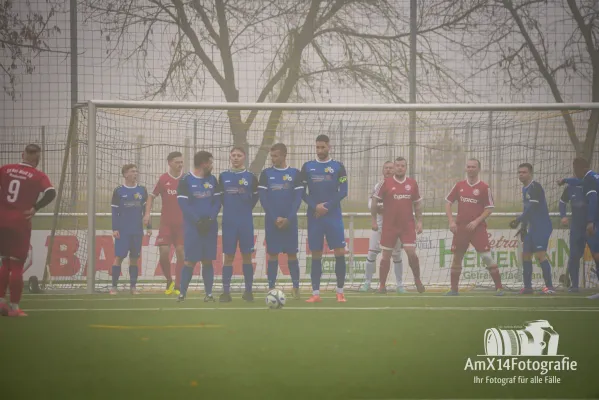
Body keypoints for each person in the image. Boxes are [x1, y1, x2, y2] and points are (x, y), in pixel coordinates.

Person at [0, 144, 55, 317]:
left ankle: (1, 302)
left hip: (2, 220)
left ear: (22, 154)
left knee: (5, 262)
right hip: (20, 223)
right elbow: (51, 193)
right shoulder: (38, 176)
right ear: (37, 159)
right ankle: (14, 307)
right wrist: (35, 208)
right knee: (16, 265)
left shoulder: (5, 169)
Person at [301, 134, 348, 303]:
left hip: (333, 215)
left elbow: (344, 191)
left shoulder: (338, 167)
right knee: (316, 253)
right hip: (315, 216)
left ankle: (340, 292)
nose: (320, 150)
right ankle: (315, 293)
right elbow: (302, 193)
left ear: (329, 147)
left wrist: (326, 206)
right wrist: (316, 206)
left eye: (323, 147)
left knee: (339, 251)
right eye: (317, 147)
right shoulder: (307, 167)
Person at [445, 159, 503, 296]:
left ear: (478, 169)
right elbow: (448, 202)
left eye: (473, 167)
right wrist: (451, 221)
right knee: (457, 257)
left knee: (486, 257)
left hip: (478, 228)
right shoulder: (459, 185)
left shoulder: (484, 187)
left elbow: (489, 208)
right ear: (466, 169)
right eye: (469, 167)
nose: (470, 169)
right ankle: (454, 290)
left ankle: (499, 287)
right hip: (461, 228)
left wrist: (476, 221)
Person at [371, 157, 425, 294]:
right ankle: (382, 286)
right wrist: (373, 220)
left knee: (411, 252)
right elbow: (374, 201)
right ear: (394, 167)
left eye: (402, 166)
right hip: (390, 226)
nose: (400, 168)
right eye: (397, 165)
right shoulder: (385, 183)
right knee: (386, 256)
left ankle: (417, 279)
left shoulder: (412, 183)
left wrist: (419, 221)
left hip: (407, 226)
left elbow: (417, 204)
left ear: (406, 168)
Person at [258, 143, 303, 299]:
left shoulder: (295, 174)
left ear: (284, 155)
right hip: (272, 221)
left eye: (276, 156)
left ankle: (296, 287)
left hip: (290, 222)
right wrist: (274, 217)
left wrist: (288, 218)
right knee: (272, 254)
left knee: (292, 254)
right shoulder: (266, 174)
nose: (273, 159)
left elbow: (298, 199)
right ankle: (271, 287)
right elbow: (263, 199)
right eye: (272, 156)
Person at [176, 151, 221, 302]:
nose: (212, 165)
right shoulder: (185, 180)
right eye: (210, 162)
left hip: (210, 227)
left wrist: (210, 219)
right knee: (190, 261)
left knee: (207, 260)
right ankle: (182, 294)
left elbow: (217, 202)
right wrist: (197, 221)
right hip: (193, 228)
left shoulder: (212, 180)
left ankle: (209, 294)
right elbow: (183, 204)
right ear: (203, 164)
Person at [218, 147, 259, 302]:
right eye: (233, 155)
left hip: (245, 222)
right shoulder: (223, 176)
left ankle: (248, 291)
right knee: (228, 256)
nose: (236, 158)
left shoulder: (251, 177)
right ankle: (226, 292)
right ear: (230, 157)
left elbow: (255, 197)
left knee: (247, 256)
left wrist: (244, 209)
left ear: (244, 157)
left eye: (239, 155)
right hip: (229, 222)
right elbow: (221, 198)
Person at [144, 151, 185, 295]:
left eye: (181, 162)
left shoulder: (186, 179)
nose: (180, 165)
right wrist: (147, 213)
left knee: (181, 252)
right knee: (164, 253)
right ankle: (169, 280)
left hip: (182, 224)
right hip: (166, 224)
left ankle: (178, 284)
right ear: (169, 163)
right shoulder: (163, 179)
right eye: (177, 162)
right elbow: (151, 196)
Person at [360, 161, 405, 293]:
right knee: (371, 254)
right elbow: (370, 203)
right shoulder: (378, 185)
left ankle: (400, 285)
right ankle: (367, 283)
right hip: (380, 226)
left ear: (394, 170)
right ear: (382, 170)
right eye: (386, 168)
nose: (388, 170)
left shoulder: (401, 186)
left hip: (396, 226)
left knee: (396, 256)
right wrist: (379, 208)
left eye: (391, 168)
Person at [510, 163, 554, 294]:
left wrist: (519, 220)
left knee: (540, 255)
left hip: (542, 226)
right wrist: (523, 227)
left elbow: (531, 208)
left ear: (530, 173)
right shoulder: (525, 189)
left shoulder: (535, 187)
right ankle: (528, 287)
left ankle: (550, 287)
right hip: (532, 227)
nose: (521, 174)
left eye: (524, 172)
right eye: (519, 172)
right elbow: (526, 208)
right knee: (526, 255)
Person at [110, 164, 148, 295]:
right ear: (125, 174)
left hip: (137, 230)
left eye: (136, 171)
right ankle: (114, 287)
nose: (135, 173)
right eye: (132, 171)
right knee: (119, 257)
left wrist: (148, 226)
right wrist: (115, 228)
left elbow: (146, 211)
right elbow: (114, 211)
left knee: (134, 258)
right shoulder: (118, 191)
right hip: (123, 230)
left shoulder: (142, 190)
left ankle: (133, 287)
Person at [558, 182, 587, 292]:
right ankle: (574, 286)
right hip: (576, 228)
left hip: (592, 226)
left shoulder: (592, 184)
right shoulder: (570, 188)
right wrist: (563, 216)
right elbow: (562, 202)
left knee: (596, 255)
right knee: (574, 256)